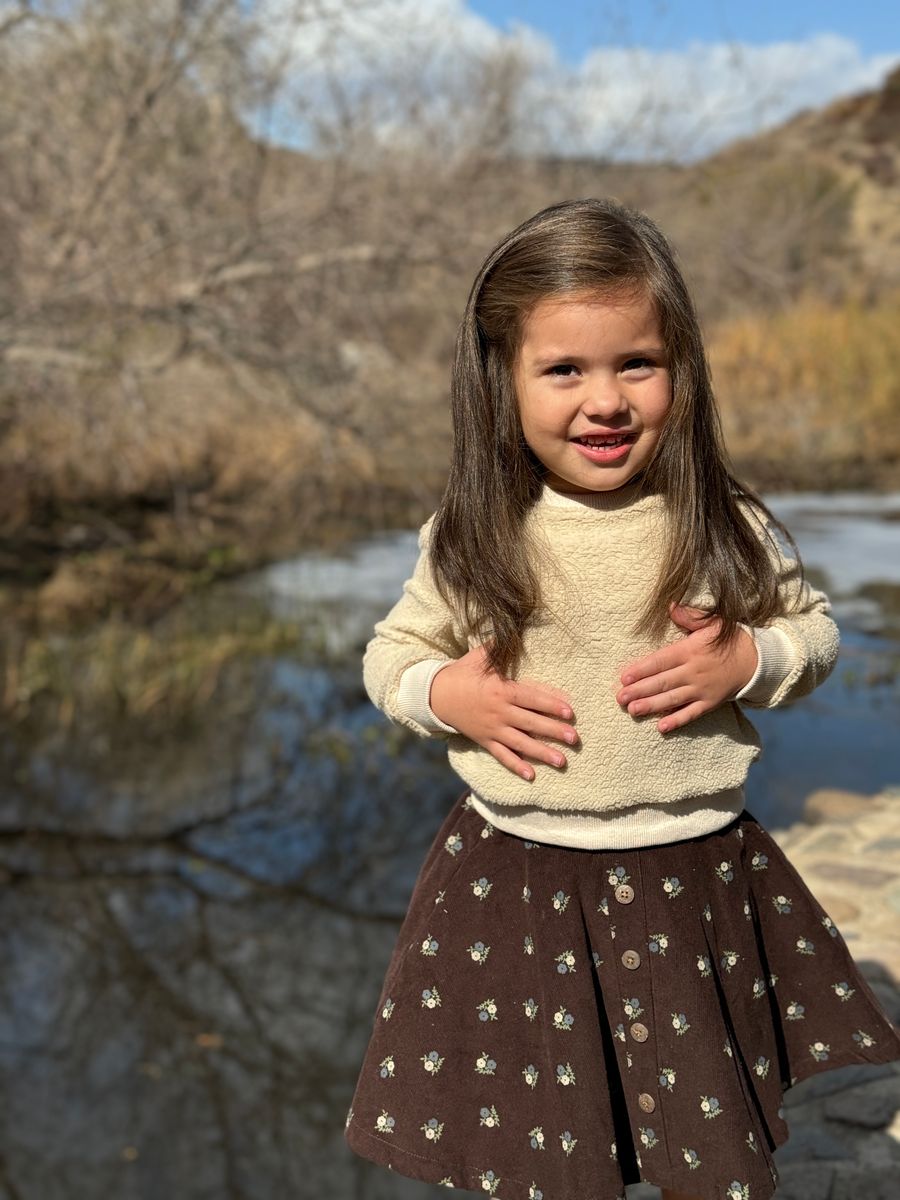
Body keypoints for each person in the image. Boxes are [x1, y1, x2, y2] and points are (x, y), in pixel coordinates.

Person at [342, 198, 900, 1200]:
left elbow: (813, 629)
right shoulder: (476, 535)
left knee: (703, 1141)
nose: (607, 401)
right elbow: (390, 658)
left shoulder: (722, 524)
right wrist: (449, 693)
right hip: (514, 880)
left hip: (690, 875)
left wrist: (748, 662)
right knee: (547, 1144)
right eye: (564, 370)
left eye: (636, 363)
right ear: (502, 381)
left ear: (681, 369)